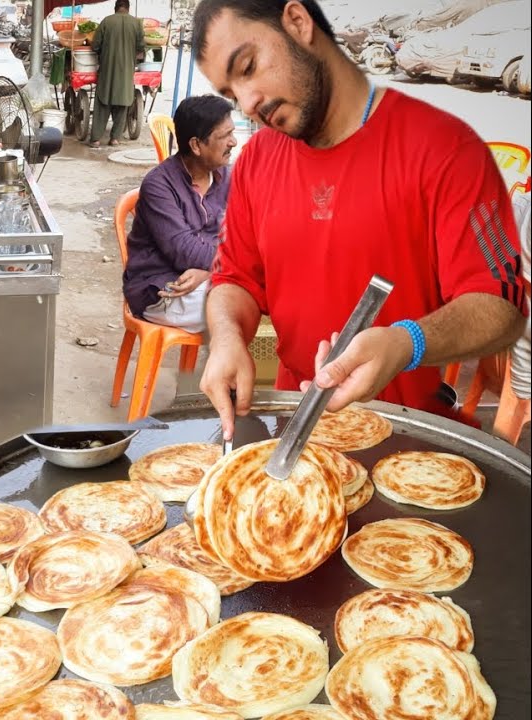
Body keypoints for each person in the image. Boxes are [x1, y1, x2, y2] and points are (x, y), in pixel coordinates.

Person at [190, 0, 526, 438]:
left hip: (410, 433)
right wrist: (228, 338)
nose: (249, 103)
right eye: (231, 95)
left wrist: (407, 343)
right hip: (298, 425)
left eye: (249, 66)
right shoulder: (257, 159)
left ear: (297, 22)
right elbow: (235, 278)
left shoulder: (445, 147)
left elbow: (501, 304)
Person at [123, 95, 236, 333]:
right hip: (162, 289)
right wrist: (231, 264)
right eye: (224, 136)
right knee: (246, 303)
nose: (233, 142)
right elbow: (184, 250)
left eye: (232, 133)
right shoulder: (159, 185)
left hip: (204, 281)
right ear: (196, 145)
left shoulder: (226, 178)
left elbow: (244, 235)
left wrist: (208, 272)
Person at [89, 0, 144, 148]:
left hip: (107, 69)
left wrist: (104, 52)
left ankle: (95, 139)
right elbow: (140, 48)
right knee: (123, 104)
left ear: (116, 8)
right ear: (128, 8)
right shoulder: (137, 23)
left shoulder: (106, 21)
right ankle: (115, 139)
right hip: (126, 71)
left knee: (102, 102)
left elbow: (95, 45)